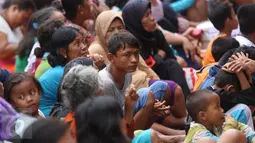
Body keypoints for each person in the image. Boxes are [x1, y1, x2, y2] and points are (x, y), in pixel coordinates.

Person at [122, 0, 190, 97]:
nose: (153, 18)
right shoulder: (131, 43)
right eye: (147, 16)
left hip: (161, 74)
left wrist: (157, 58)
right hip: (143, 84)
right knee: (172, 65)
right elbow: (145, 67)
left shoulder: (155, 33)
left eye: (151, 13)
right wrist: (159, 55)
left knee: (173, 64)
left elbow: (170, 55)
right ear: (136, 21)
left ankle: (185, 100)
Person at [89, 10, 159, 89]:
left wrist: (158, 82)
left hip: (144, 83)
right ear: (101, 31)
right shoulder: (96, 48)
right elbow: (113, 81)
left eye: (120, 28)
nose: (116, 32)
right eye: (111, 30)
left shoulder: (125, 43)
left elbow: (145, 68)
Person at [39, 27, 90, 117]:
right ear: (63, 51)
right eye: (77, 43)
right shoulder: (60, 73)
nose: (84, 47)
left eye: (83, 41)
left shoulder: (73, 67)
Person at [185, 90, 255, 143]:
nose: (222, 110)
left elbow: (247, 132)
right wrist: (230, 126)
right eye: (217, 107)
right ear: (203, 115)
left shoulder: (216, 124)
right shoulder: (198, 134)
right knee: (232, 134)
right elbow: (228, 138)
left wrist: (235, 125)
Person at [16, 7, 65, 72]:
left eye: (65, 21)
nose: (65, 26)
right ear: (45, 24)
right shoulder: (36, 43)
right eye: (58, 23)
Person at [59, 65, 102, 138]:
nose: (102, 89)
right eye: (99, 87)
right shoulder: (92, 128)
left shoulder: (69, 121)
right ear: (97, 93)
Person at [0, 0, 35, 72]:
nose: (24, 22)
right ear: (14, 8)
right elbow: (2, 51)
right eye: (24, 18)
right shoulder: (1, 23)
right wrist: (26, 44)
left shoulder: (17, 27)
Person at [203, 0, 238, 66]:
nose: (236, 18)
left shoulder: (218, 40)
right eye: (234, 15)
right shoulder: (225, 44)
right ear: (228, 21)